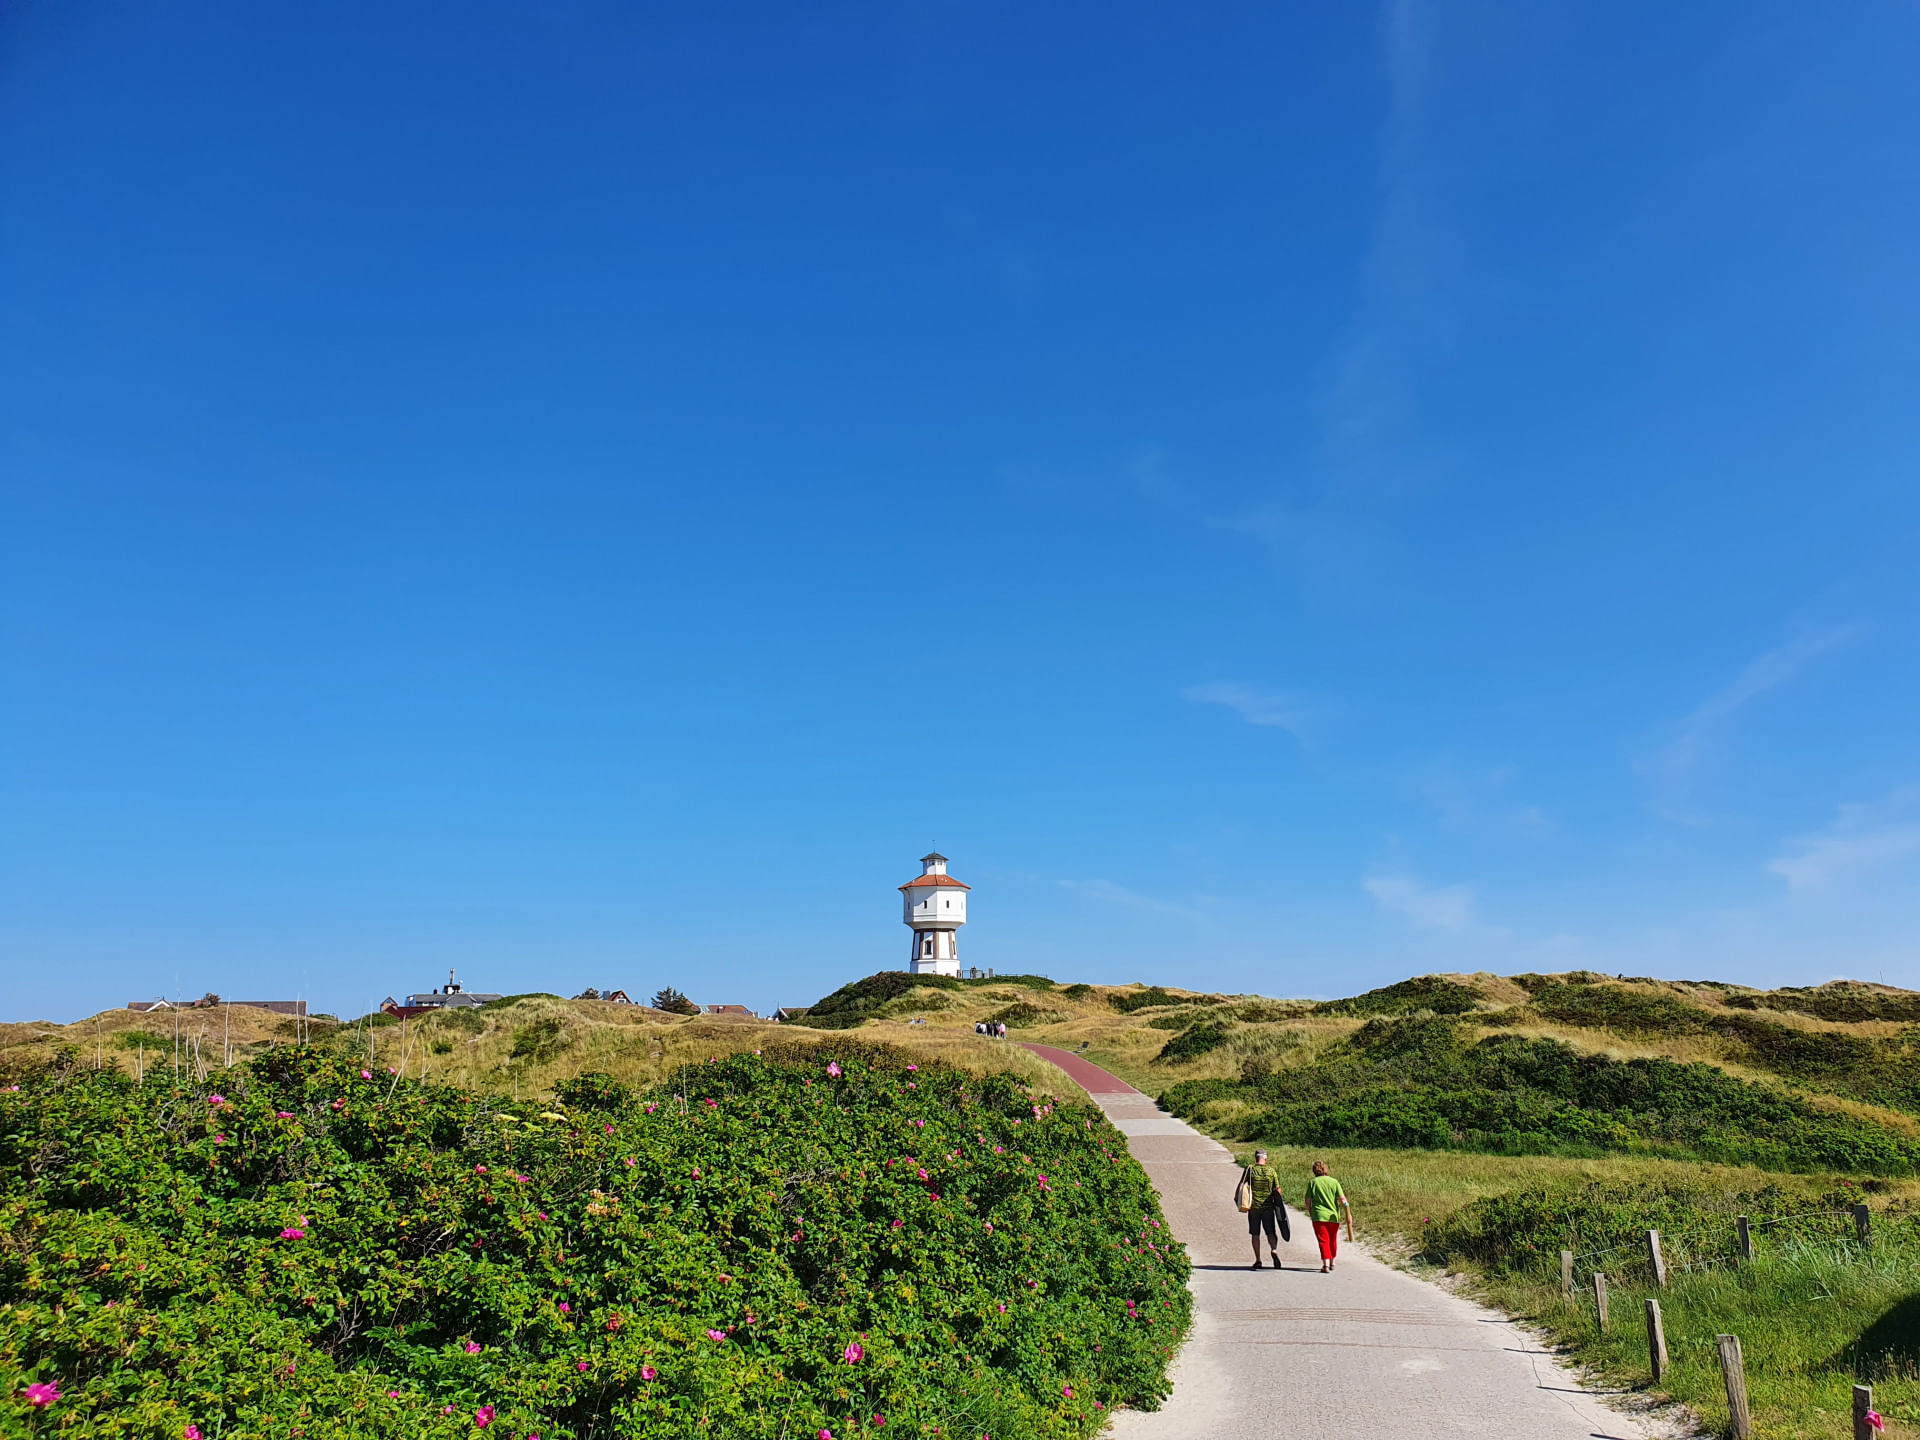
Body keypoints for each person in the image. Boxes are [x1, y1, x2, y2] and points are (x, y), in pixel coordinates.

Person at [1239, 1148, 1289, 1269]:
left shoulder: (1250, 1170)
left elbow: (1242, 1184)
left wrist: (1237, 1199)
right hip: (1268, 1208)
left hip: (1254, 1207)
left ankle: (1258, 1260)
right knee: (1271, 1232)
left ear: (1256, 1158)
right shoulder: (1271, 1171)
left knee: (1255, 1234)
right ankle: (1274, 1250)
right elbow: (1278, 1190)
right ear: (1265, 1158)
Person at [1304, 1160, 1351, 1272]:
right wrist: (1348, 1213)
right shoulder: (1334, 1182)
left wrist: (1310, 1211)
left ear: (1314, 1171)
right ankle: (1332, 1262)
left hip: (1319, 1215)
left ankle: (1325, 1264)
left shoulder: (1313, 1183)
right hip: (1333, 1216)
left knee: (1323, 1240)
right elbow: (1343, 1200)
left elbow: (1307, 1201)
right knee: (1332, 1239)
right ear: (1325, 1169)